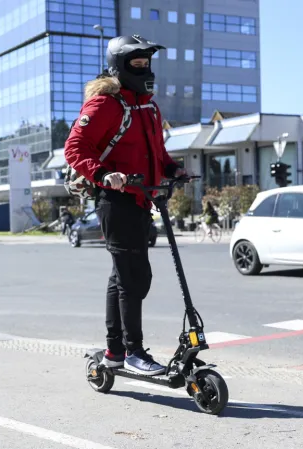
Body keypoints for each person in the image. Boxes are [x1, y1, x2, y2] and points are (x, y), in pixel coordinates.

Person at [63, 34, 188, 377]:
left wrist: (173, 169)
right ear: (119, 65)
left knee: (123, 277)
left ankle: (114, 352)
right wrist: (104, 174)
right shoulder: (106, 104)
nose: (144, 67)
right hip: (116, 200)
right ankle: (133, 352)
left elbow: (156, 152)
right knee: (134, 278)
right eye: (136, 62)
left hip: (141, 199)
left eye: (147, 62)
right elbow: (75, 147)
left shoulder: (148, 105)